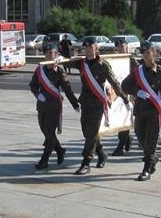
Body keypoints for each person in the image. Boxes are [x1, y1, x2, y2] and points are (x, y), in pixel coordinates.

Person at [122, 41, 161, 181]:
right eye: (144, 53)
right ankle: (153, 159)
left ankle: (146, 168)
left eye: (148, 52)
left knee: (150, 141)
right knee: (142, 140)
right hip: (140, 111)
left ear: (154, 53)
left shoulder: (160, 71)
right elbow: (124, 85)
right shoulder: (137, 72)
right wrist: (136, 91)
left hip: (154, 112)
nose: (146, 56)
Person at [73, 37, 129, 175]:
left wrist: (124, 97)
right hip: (86, 102)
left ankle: (86, 162)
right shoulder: (82, 63)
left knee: (91, 133)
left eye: (91, 47)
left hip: (98, 103)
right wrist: (59, 59)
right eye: (86, 47)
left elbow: (114, 82)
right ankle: (101, 153)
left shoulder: (103, 65)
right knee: (87, 132)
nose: (88, 49)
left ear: (96, 48)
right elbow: (67, 62)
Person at [28, 43, 80, 170]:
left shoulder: (59, 71)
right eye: (48, 53)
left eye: (53, 53)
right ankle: (60, 150)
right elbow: (33, 85)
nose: (50, 55)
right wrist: (38, 94)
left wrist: (75, 103)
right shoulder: (39, 69)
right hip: (42, 105)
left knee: (50, 132)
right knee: (45, 131)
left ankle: (44, 160)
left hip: (54, 106)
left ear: (56, 54)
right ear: (45, 55)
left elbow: (67, 89)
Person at [111, 40, 138, 156]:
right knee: (118, 120)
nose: (125, 49)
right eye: (122, 47)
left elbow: (139, 75)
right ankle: (127, 139)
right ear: (117, 48)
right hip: (116, 95)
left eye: (126, 47)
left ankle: (120, 146)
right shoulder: (113, 60)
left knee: (125, 119)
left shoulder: (132, 61)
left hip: (128, 94)